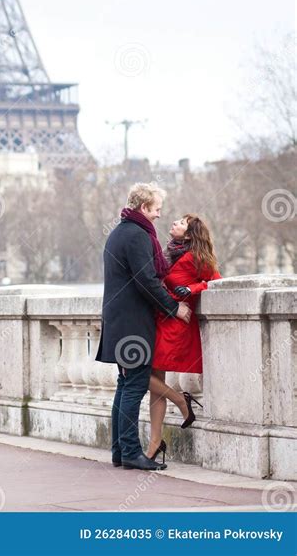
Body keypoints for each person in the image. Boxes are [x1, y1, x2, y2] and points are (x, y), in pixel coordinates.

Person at [95, 183, 191, 471]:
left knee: (125, 385)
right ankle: (131, 453)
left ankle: (119, 451)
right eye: (157, 209)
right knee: (134, 386)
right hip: (132, 324)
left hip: (120, 321)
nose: (160, 215)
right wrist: (174, 307)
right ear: (144, 208)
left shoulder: (120, 232)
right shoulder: (137, 236)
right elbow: (146, 280)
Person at [146, 214, 220, 465]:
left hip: (176, 325)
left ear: (189, 235)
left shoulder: (197, 258)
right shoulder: (168, 253)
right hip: (158, 320)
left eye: (180, 223)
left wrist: (192, 289)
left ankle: (157, 439)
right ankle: (157, 439)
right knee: (152, 382)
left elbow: (217, 284)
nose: (174, 223)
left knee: (145, 376)